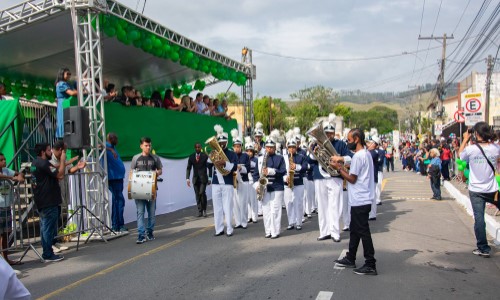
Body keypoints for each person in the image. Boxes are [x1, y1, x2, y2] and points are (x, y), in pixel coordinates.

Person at [332, 129, 377, 275]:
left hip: (360, 199)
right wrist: (342, 161)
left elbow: (352, 178)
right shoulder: (365, 153)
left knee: (363, 232)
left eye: (350, 140)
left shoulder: (359, 156)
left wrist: (338, 168)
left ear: (357, 139)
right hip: (361, 198)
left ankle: (370, 263)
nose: (348, 143)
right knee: (355, 230)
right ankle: (351, 257)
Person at [459, 122, 500, 258]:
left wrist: (465, 139)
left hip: (476, 189)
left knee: (479, 218)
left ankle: (483, 248)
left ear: (476, 134)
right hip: (492, 189)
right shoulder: (495, 148)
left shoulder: (471, 149)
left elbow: (460, 156)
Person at [312, 120, 352, 243]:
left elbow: (350, 158)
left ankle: (335, 232)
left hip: (335, 177)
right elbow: (309, 159)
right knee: (322, 206)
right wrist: (314, 152)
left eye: (331, 133)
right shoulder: (316, 145)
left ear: (334, 133)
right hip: (320, 177)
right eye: (327, 133)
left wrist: (340, 158)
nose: (329, 135)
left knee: (335, 206)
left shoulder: (340, 144)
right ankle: (324, 232)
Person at [32, 143, 66, 262]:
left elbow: (56, 175)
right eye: (48, 150)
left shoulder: (35, 163)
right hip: (48, 201)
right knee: (47, 228)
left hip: (43, 200)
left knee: (45, 228)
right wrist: (62, 160)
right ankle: (47, 254)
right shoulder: (43, 163)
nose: (50, 152)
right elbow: (60, 174)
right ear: (42, 152)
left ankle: (48, 251)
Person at [50, 141, 86, 253]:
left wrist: (77, 167)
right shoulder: (51, 161)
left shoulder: (62, 160)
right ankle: (49, 244)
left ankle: (55, 241)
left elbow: (69, 170)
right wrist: (64, 162)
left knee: (57, 218)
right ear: (60, 150)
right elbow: (58, 173)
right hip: (52, 195)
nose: (65, 153)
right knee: (50, 220)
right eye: (64, 150)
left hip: (61, 194)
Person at [252, 131, 286, 239]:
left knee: (275, 211)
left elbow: (283, 171)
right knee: (266, 211)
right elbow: (255, 175)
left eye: (271, 147)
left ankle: (275, 231)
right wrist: (257, 185)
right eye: (267, 147)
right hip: (265, 188)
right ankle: (268, 231)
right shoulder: (260, 159)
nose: (269, 149)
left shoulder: (280, 158)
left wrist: (271, 171)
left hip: (277, 187)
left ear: (275, 148)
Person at [130, 137, 163, 244]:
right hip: (139, 190)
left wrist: (157, 173)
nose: (148, 147)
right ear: (141, 146)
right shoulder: (136, 158)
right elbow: (131, 172)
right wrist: (130, 184)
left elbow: (160, 170)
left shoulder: (155, 158)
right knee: (140, 212)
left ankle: (149, 232)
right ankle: (141, 235)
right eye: (146, 145)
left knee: (152, 213)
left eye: (149, 145)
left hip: (152, 189)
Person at [208, 125, 238, 237]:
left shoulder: (231, 153)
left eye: (223, 142)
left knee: (228, 207)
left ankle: (229, 229)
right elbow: (208, 165)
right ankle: (219, 229)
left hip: (227, 182)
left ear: (227, 142)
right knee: (217, 207)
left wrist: (225, 163)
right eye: (219, 142)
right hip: (216, 183)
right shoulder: (214, 152)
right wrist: (211, 158)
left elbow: (235, 166)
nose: (221, 144)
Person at [0, 153, 24, 265]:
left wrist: (20, 176)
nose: (3, 161)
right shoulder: (5, 175)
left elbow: (18, 173)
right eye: (1, 160)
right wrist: (11, 178)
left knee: (5, 234)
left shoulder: (6, 170)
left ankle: (6, 259)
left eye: (4, 159)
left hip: (6, 206)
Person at [283, 139, 307, 230]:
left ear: (296, 147)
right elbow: (282, 170)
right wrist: (286, 178)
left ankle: (299, 222)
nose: (292, 149)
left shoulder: (301, 157)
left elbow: (305, 167)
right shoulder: (284, 157)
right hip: (287, 183)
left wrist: (296, 166)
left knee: (298, 203)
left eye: (293, 147)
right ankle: (291, 222)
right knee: (288, 203)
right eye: (290, 147)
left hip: (298, 183)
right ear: (287, 148)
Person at [106, 133, 128, 232]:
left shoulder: (113, 147)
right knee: (119, 201)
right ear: (111, 139)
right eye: (116, 138)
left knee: (117, 201)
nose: (117, 140)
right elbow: (97, 146)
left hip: (118, 178)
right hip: (113, 178)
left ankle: (116, 225)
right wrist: (110, 149)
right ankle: (118, 224)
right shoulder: (107, 146)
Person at [186, 143, 211, 217]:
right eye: (196, 147)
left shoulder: (205, 156)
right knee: (197, 195)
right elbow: (189, 168)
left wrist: (210, 178)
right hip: (195, 179)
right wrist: (187, 178)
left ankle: (204, 210)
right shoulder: (191, 157)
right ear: (194, 148)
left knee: (202, 193)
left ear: (201, 148)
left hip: (203, 179)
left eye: (199, 147)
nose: (197, 148)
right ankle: (200, 211)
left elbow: (209, 167)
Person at [55, 68, 78, 139]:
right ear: (62, 74)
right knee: (63, 120)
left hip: (67, 104)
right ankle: (63, 136)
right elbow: (72, 93)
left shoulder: (67, 84)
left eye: (70, 74)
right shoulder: (61, 84)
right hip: (63, 104)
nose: (69, 76)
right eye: (67, 74)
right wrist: (83, 92)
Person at [245, 137, 259, 223]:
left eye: (250, 151)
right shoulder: (244, 159)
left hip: (253, 181)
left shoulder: (256, 160)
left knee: (254, 199)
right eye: (247, 151)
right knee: (247, 200)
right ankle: (249, 216)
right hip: (246, 181)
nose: (249, 153)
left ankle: (254, 217)